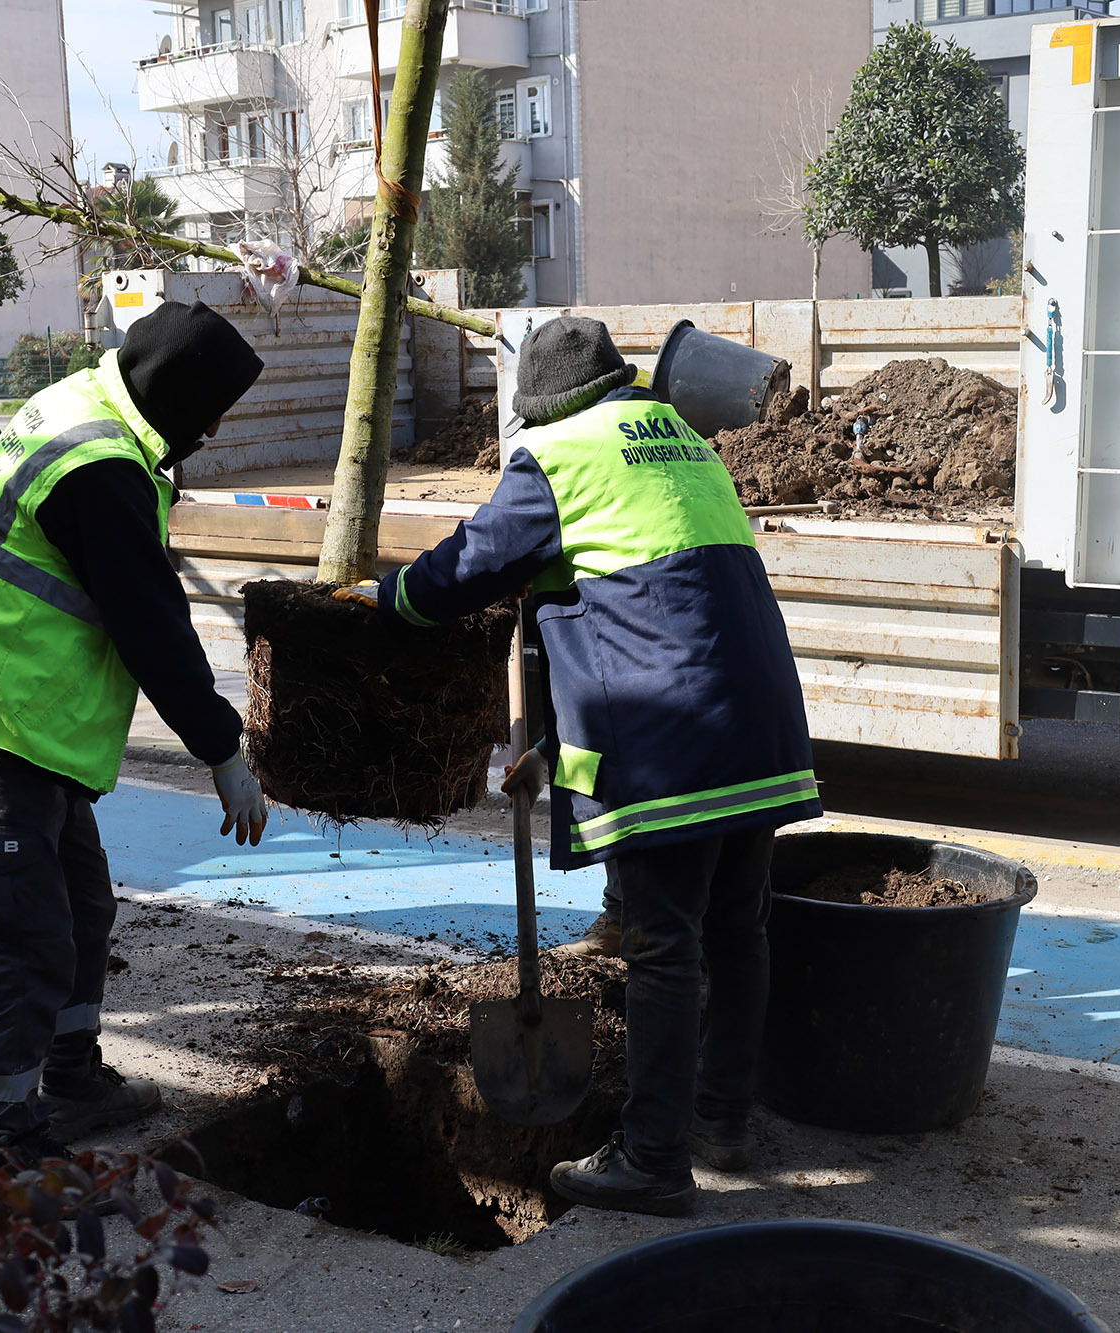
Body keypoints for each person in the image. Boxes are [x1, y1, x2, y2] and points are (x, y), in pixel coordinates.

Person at [339, 316, 820, 1216]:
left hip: (673, 737)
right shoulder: (680, 440)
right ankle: (720, 1123)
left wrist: (387, 598)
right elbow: (652, 602)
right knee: (737, 929)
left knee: (664, 944)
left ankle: (653, 1159)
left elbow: (469, 569)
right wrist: (556, 751)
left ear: (546, 407)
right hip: (757, 722)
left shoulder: (557, 457)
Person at [0, 301, 270, 1159]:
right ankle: (11, 1139)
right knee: (22, 934)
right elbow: (150, 624)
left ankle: (70, 1078)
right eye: (212, 411)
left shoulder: (96, 405)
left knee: (81, 909)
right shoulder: (100, 466)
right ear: (177, 397)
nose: (213, 430)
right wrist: (224, 752)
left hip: (31, 718)